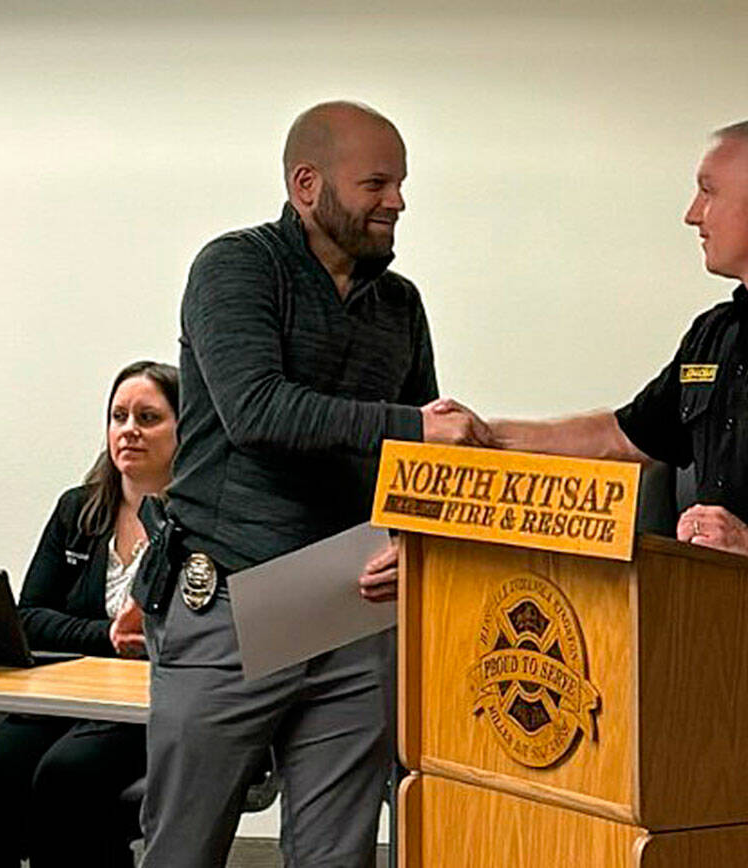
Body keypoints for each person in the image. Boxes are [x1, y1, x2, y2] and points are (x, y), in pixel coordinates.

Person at [137, 101, 489, 868]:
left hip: (348, 600)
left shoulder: (400, 303)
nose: (396, 201)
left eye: (399, 183)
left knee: (340, 855)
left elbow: (415, 453)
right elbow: (256, 410)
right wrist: (414, 427)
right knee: (183, 847)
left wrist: (415, 534)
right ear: (306, 184)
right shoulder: (236, 266)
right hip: (229, 597)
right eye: (376, 182)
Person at [483, 119, 748, 563]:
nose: (693, 214)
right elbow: (623, 437)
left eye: (708, 191)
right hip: (719, 604)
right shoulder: (716, 331)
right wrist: (484, 436)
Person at [0, 360, 179, 867]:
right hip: (67, 697)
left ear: (187, 429)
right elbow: (27, 617)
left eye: (149, 417)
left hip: (152, 709)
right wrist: (107, 635)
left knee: (65, 774)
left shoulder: (199, 525)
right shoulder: (78, 510)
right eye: (119, 416)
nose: (129, 430)